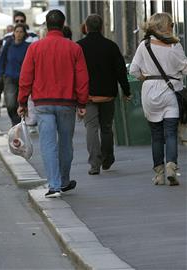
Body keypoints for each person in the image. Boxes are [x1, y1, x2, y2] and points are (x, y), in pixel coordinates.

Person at [18, 10, 88, 198]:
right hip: (67, 103)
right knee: (66, 143)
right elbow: (82, 78)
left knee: (48, 145)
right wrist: (82, 103)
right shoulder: (74, 48)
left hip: (42, 103)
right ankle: (64, 180)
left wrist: (22, 102)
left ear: (47, 25)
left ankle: (54, 185)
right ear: (64, 24)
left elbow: (25, 77)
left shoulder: (35, 48)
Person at [129, 13, 186, 186]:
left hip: (150, 91)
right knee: (170, 133)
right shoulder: (175, 45)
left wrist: (144, 77)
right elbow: (184, 69)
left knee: (156, 135)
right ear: (165, 26)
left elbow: (133, 70)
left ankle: (159, 173)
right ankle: (171, 166)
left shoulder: (144, 45)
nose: (173, 26)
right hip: (170, 92)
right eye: (171, 24)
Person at [77, 14, 131, 175]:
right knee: (106, 127)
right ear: (101, 27)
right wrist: (126, 91)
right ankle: (107, 158)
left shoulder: (79, 47)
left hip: (88, 95)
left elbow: (74, 72)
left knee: (91, 129)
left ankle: (94, 164)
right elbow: (121, 71)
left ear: (86, 27)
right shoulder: (111, 46)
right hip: (108, 94)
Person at [0, 24, 30, 126]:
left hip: (23, 79)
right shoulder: (8, 44)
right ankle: (15, 121)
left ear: (24, 34)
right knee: (10, 103)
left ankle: (19, 123)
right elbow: (1, 58)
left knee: (20, 102)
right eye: (17, 31)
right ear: (14, 33)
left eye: (21, 32)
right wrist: (0, 73)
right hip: (9, 77)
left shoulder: (27, 47)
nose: (19, 34)